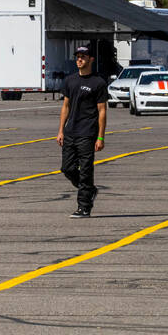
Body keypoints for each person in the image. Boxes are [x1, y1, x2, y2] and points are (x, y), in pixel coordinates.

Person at [55, 45, 108, 218]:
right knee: (67, 168)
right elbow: (66, 106)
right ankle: (90, 190)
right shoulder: (70, 80)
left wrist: (100, 137)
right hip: (70, 132)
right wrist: (61, 130)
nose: (79, 59)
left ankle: (84, 207)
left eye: (83, 57)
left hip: (87, 133)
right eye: (77, 56)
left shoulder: (98, 83)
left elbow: (102, 111)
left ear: (91, 59)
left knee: (85, 170)